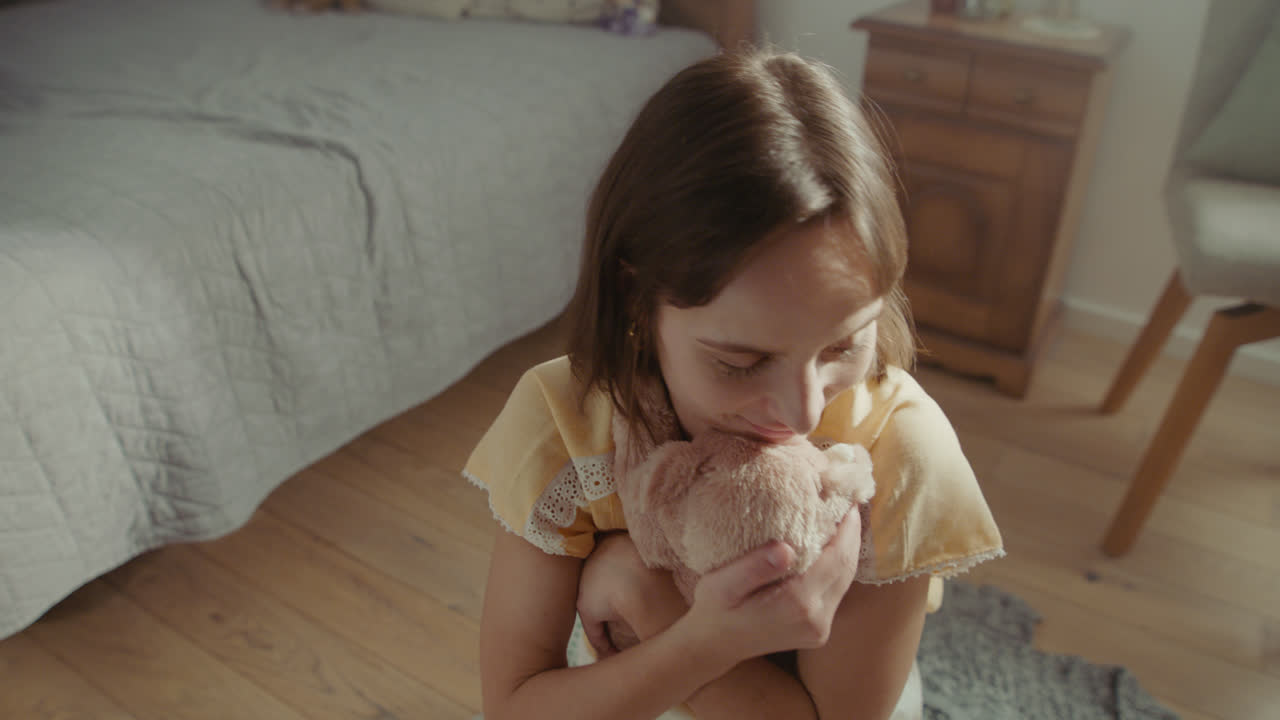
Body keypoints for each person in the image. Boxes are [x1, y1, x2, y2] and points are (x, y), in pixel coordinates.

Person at [463, 47, 1004, 720]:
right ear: (637, 300)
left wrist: (650, 604)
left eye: (843, 344)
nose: (803, 412)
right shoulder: (566, 425)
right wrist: (702, 644)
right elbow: (512, 709)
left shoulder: (898, 451)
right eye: (741, 362)